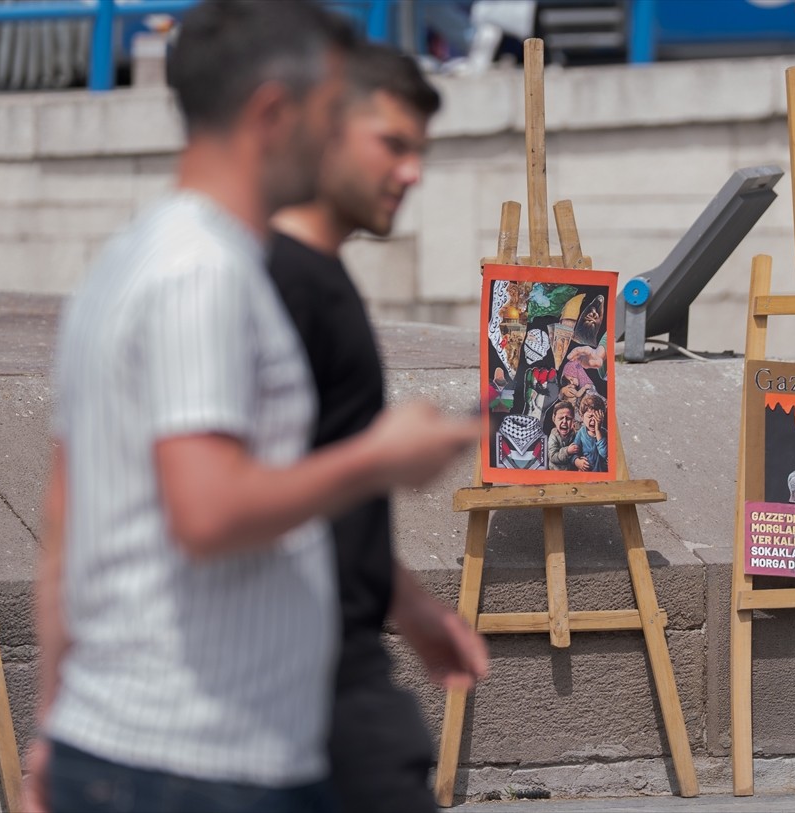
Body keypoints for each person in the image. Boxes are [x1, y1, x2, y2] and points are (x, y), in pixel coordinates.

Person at [28, 4, 479, 812]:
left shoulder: (132, 259)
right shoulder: (206, 274)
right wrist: (380, 456)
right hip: (201, 761)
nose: (342, 133)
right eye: (332, 109)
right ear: (274, 114)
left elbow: (67, 516)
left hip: (140, 747)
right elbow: (205, 509)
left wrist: (52, 728)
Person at [268, 42, 489, 813]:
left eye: (420, 151)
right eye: (392, 145)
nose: (413, 173)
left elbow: (315, 484)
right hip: (292, 687)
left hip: (338, 669)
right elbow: (216, 497)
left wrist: (411, 605)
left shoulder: (320, 277)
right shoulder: (273, 282)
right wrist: (380, 457)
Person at [572, 391, 609, 473]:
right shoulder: (581, 433)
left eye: (597, 417)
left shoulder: (605, 433)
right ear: (582, 417)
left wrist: (598, 430)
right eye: (590, 416)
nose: (594, 420)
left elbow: (604, 454)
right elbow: (573, 451)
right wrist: (577, 461)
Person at [546, 400, 580, 471]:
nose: (564, 421)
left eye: (568, 418)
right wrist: (567, 451)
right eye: (561, 418)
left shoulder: (574, 433)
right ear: (554, 419)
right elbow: (552, 456)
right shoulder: (553, 436)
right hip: (556, 471)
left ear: (573, 420)